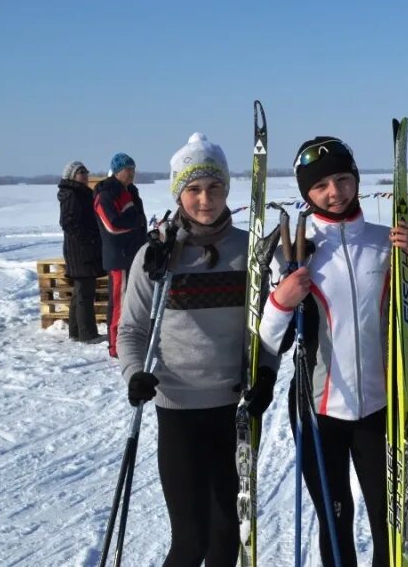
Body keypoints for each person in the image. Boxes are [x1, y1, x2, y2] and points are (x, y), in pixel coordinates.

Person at [257, 136, 408, 567]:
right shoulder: (294, 250)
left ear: (355, 179)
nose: (335, 191)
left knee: (387, 525)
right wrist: (281, 298)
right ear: (306, 193)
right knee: (336, 521)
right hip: (318, 412)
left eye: (342, 178)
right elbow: (269, 338)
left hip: (378, 407)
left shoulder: (384, 243)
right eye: (320, 186)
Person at [117, 133, 279, 566]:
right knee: (190, 541)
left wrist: (265, 372)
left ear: (227, 189)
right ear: (178, 193)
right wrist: (135, 373)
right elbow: (130, 329)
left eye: (214, 187)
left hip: (235, 407)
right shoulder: (155, 254)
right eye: (193, 189)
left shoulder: (249, 250)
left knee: (228, 537)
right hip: (179, 408)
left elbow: (268, 326)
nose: (205, 199)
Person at [95, 152, 147, 357]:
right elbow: (112, 224)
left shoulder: (131, 191)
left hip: (134, 253)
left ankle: (130, 340)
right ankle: (115, 345)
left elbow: (138, 218)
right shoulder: (106, 194)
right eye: (128, 170)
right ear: (117, 171)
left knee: (132, 301)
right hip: (119, 256)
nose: (132, 173)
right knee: (118, 302)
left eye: (134, 169)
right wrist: (136, 224)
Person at [57, 160, 104, 342]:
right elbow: (68, 223)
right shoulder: (72, 195)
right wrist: (88, 239)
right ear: (72, 175)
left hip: (82, 249)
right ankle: (87, 333)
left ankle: (75, 331)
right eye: (81, 172)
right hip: (80, 251)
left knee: (79, 291)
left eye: (85, 171)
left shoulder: (80, 193)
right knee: (85, 291)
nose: (85, 174)